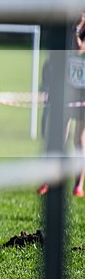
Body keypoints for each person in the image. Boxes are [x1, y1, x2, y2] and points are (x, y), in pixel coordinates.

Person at [38, 12, 85, 197]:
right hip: (67, 93)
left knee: (79, 140)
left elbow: (78, 49)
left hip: (82, 96)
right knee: (58, 137)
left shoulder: (77, 33)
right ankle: (48, 180)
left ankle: (78, 185)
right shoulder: (67, 33)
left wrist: (77, 29)